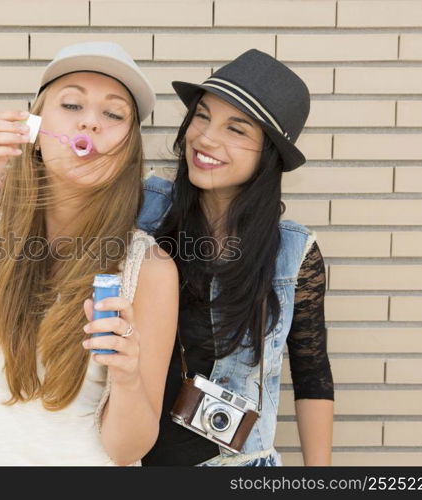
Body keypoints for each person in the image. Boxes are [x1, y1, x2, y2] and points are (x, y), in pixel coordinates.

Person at [0, 42, 179, 466]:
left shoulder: (147, 268)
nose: (91, 122)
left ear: (128, 151)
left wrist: (128, 377)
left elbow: (128, 450)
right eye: (72, 104)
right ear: (35, 131)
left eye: (113, 114)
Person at [138, 49, 334, 467]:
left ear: (268, 155)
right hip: (127, 458)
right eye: (202, 115)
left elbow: (312, 375)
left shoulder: (293, 253)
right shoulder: (141, 209)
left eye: (237, 129)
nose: (206, 138)